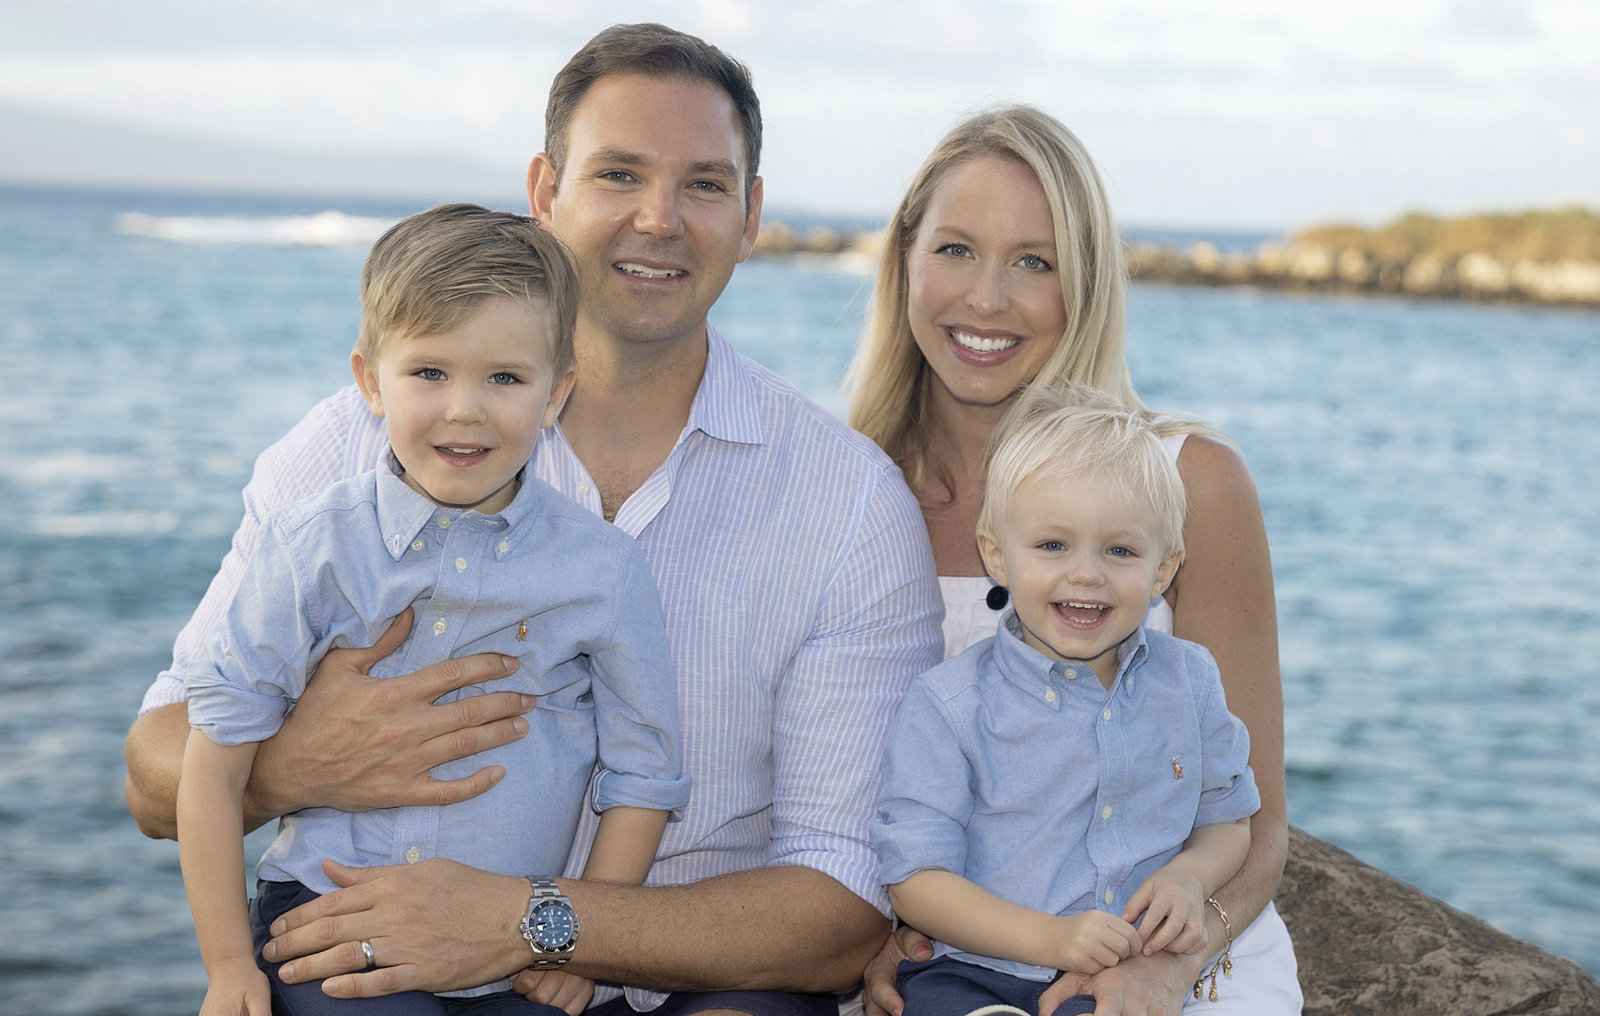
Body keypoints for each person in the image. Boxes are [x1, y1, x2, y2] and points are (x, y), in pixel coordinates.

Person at [124, 23, 943, 1016]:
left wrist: (538, 919)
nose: (659, 218)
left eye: (703, 184)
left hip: (708, 978)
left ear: (751, 213)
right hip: (374, 941)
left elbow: (846, 900)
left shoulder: (848, 503)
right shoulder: (346, 445)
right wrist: (297, 765)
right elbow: (155, 769)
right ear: (545, 192)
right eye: (619, 174)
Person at [177, 204, 690, 1016]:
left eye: (505, 378)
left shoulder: (602, 568)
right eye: (429, 372)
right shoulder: (310, 547)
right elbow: (214, 759)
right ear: (370, 382)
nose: (464, 409)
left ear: (555, 392)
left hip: (514, 947)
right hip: (329, 921)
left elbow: (645, 775)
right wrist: (228, 966)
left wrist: (584, 940)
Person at [845, 105, 1300, 1015]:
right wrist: (865, 939)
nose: (986, 298)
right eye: (955, 250)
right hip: (961, 971)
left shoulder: (1191, 482)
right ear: (905, 261)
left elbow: (1260, 824)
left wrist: (1162, 970)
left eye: (1035, 262)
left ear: (1085, 282)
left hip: (1181, 967)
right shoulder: (846, 493)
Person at [873, 387, 1261, 1016]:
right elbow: (916, 880)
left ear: (1164, 570)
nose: (1087, 573)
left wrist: (1192, 876)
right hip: (975, 972)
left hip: (1129, 976)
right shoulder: (950, 705)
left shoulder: (1189, 681)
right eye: (1053, 546)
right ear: (998, 554)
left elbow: (1229, 818)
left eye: (1121, 550)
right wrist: (1052, 938)